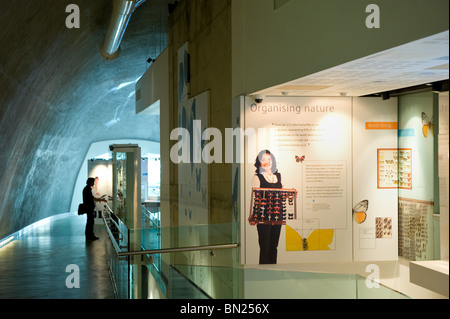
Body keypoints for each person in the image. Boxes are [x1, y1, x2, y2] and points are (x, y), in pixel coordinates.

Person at [249, 150, 282, 264]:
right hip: (263, 217)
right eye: (263, 159)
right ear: (259, 162)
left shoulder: (279, 176)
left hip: (277, 216)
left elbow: (283, 195)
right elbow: (255, 199)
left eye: (269, 159)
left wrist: (291, 194)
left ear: (273, 161)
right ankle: (263, 273)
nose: (267, 162)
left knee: (274, 247)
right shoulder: (258, 178)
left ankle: (272, 274)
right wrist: (254, 216)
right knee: (265, 248)